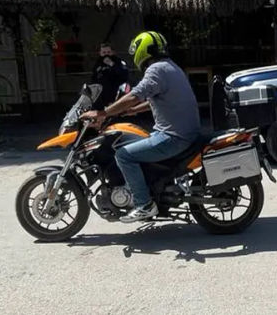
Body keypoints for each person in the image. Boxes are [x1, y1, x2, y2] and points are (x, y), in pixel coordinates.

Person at [81, 31, 201, 223]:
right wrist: (132, 111)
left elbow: (135, 95)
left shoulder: (156, 70)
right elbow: (157, 98)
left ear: (143, 49)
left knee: (124, 155)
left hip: (173, 137)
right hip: (184, 132)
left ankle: (144, 204)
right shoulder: (171, 67)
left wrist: (103, 113)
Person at [90, 43, 128, 109]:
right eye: (104, 52)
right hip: (101, 96)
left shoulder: (118, 62)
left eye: (108, 52)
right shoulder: (97, 64)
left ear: (112, 52)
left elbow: (124, 74)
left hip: (116, 92)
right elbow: (93, 79)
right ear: (100, 53)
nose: (106, 54)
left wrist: (112, 64)